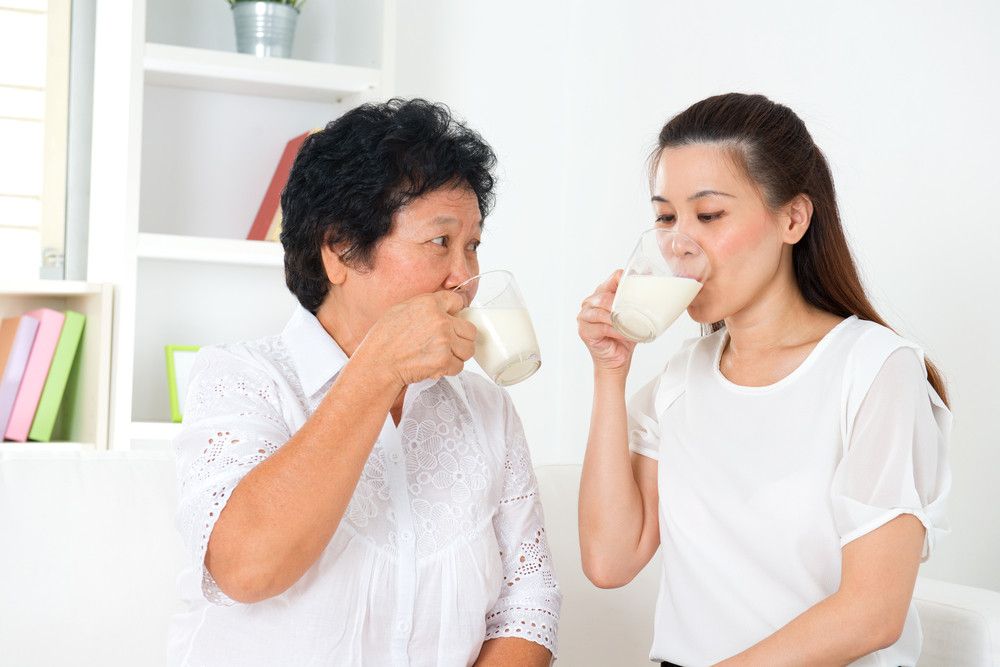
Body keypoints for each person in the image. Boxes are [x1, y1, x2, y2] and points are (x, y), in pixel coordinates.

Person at [169, 98, 560, 667]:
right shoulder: (240, 378)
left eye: (473, 245)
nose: (465, 277)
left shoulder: (485, 408)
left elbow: (529, 601)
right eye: (439, 242)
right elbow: (246, 569)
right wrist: (379, 369)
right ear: (340, 250)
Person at [576, 92, 950, 666]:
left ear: (792, 218)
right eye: (665, 217)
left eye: (709, 215)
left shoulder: (873, 370)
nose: (679, 244)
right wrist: (609, 372)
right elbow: (609, 561)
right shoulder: (680, 382)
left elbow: (873, 612)